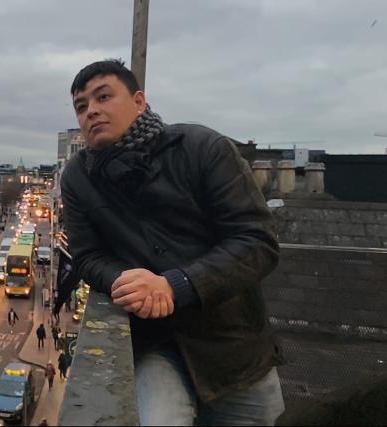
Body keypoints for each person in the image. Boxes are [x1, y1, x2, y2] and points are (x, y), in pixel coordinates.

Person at [62, 59, 284, 425]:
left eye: (103, 97)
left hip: (232, 346)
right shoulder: (77, 177)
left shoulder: (202, 148)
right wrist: (126, 279)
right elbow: (87, 256)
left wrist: (176, 285)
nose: (92, 112)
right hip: (154, 343)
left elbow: (257, 241)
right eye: (82, 106)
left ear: (139, 101)